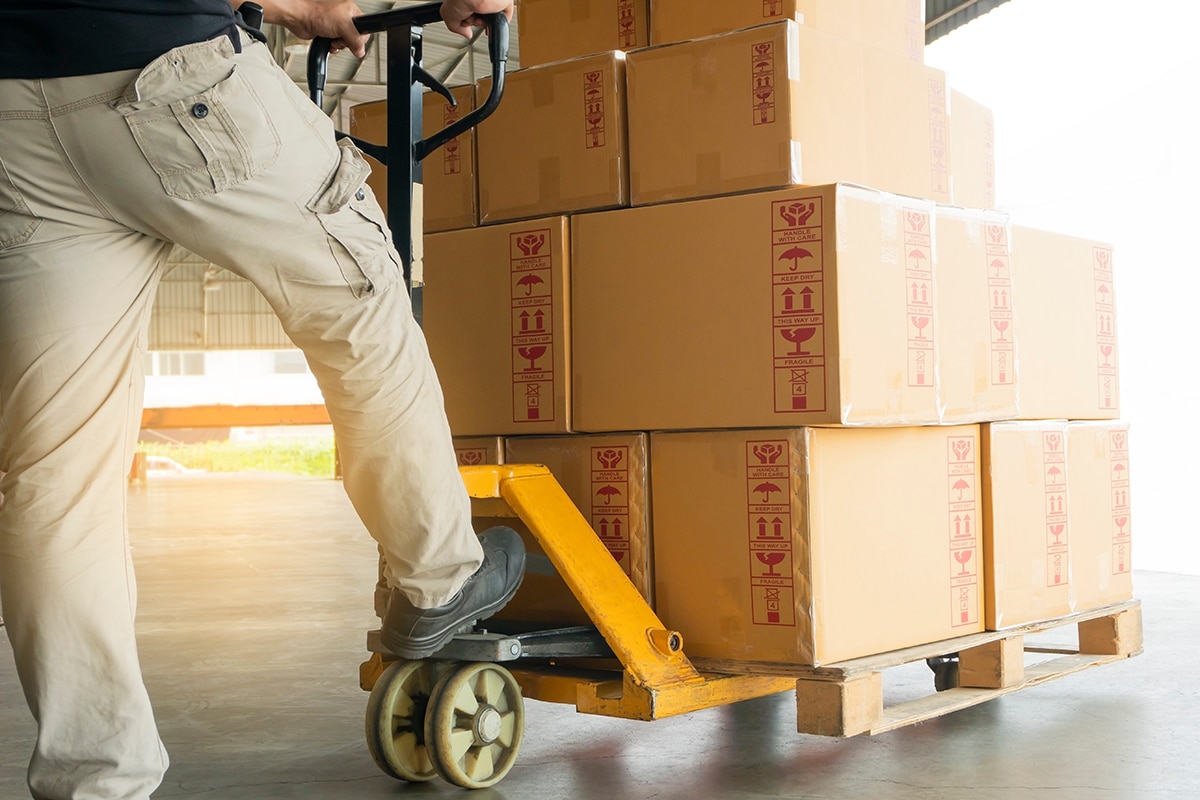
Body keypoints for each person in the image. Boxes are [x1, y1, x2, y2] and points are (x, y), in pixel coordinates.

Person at [0, 1, 524, 798]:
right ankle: (440, 578)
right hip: (168, 69)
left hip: (16, 114)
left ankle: (96, 778)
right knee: (356, 298)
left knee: (53, 472)